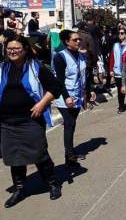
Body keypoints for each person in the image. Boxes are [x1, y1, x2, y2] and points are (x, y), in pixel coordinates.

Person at [0, 35, 62, 208]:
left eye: (16, 48)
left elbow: (55, 87)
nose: (12, 51)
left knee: (39, 153)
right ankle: (19, 189)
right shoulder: (2, 68)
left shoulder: (36, 67)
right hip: (7, 121)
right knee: (14, 157)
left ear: (25, 49)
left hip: (30, 120)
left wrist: (42, 104)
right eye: (9, 48)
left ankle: (52, 183)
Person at [53, 30, 95, 167]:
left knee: (72, 124)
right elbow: (59, 81)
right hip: (64, 96)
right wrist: (66, 97)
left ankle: (70, 153)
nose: (78, 41)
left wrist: (89, 92)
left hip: (77, 95)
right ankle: (70, 156)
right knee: (69, 123)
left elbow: (85, 76)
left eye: (79, 39)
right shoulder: (60, 57)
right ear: (66, 41)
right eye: (75, 40)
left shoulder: (81, 56)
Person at [109, 29, 126, 114]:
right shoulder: (115, 45)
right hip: (117, 72)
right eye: (119, 33)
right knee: (120, 90)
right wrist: (111, 69)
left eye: (122, 33)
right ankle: (121, 106)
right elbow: (112, 58)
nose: (120, 35)